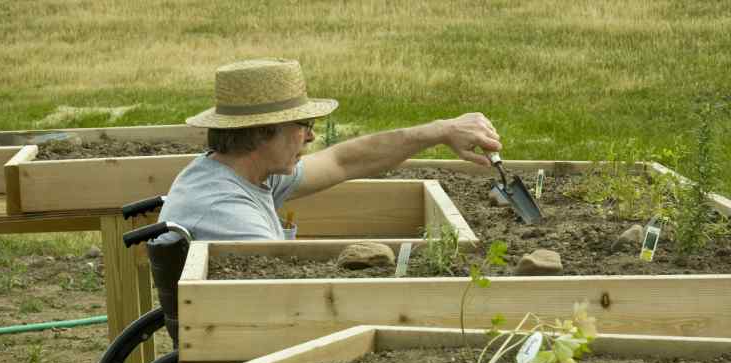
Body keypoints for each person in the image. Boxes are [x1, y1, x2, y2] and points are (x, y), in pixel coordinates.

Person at [153, 57, 501, 244]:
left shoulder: (243, 174)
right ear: (261, 133)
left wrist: (440, 130)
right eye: (301, 125)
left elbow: (344, 160)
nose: (310, 136)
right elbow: (284, 289)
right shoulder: (226, 210)